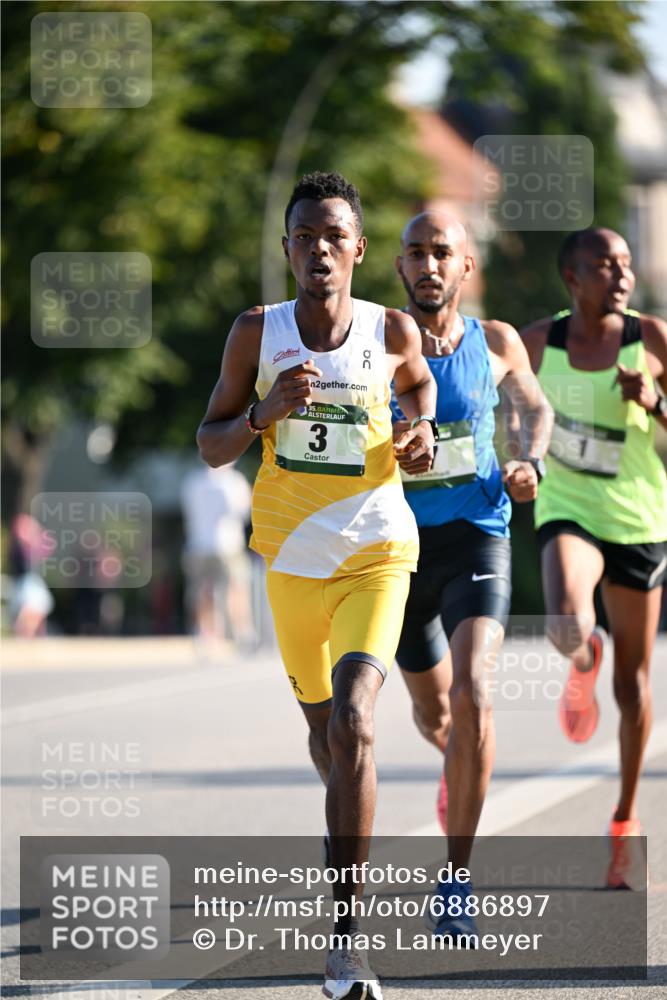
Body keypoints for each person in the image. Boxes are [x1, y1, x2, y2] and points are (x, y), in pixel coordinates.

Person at [197, 172, 436, 999]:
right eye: (305, 237)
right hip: (291, 560)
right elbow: (210, 443)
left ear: (358, 249)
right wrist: (262, 415)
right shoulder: (255, 333)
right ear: (288, 248)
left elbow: (417, 393)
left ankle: (346, 943)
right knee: (327, 740)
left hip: (377, 549)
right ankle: (347, 827)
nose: (320, 249)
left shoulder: (391, 327)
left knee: (358, 725)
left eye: (335, 235)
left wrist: (420, 438)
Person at [391, 211, 552, 942]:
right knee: (437, 719)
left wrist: (531, 461)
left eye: (441, 253)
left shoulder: (495, 342)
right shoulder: (374, 339)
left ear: (465, 267)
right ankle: (457, 767)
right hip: (392, 551)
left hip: (477, 538)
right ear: (398, 268)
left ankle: (456, 879)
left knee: (475, 695)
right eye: (416, 254)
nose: (429, 265)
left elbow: (533, 406)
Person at [520, 227, 667, 890]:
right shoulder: (536, 343)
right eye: (604, 265)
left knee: (632, 688)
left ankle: (624, 820)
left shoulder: (652, 337)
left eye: (626, 264)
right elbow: (501, 402)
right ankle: (583, 656)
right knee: (566, 623)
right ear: (570, 278)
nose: (620, 274)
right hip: (568, 507)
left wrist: (653, 402)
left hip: (637, 517)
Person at [180, 462, 255, 651]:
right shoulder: (234, 481)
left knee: (201, 592)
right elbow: (242, 511)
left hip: (197, 544)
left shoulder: (193, 482)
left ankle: (204, 634)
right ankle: (242, 632)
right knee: (236, 588)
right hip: (228, 544)